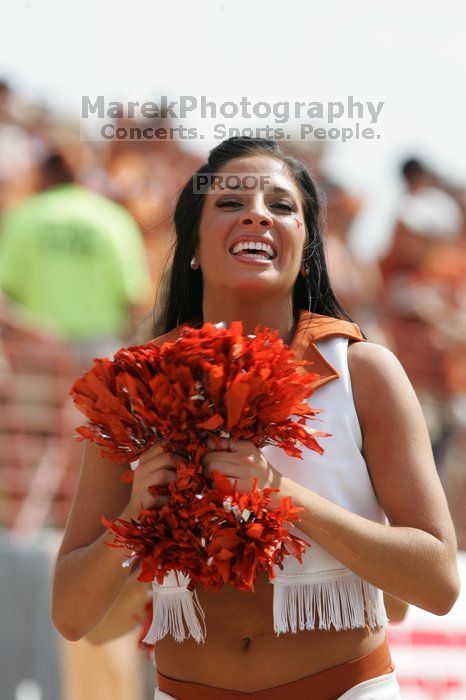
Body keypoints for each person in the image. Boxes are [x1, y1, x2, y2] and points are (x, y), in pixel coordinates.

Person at [52, 137, 459, 699]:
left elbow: (438, 582)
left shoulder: (363, 372)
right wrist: (137, 516)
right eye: (229, 202)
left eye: (282, 205)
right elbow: (71, 616)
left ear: (306, 246)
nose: (257, 214)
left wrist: (282, 495)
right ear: (192, 242)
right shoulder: (133, 387)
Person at [0, 152, 152, 367]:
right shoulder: (113, 219)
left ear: (43, 174)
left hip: (36, 351)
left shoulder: (23, 215)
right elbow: (135, 296)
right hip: (98, 351)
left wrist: (28, 327)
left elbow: (4, 293)